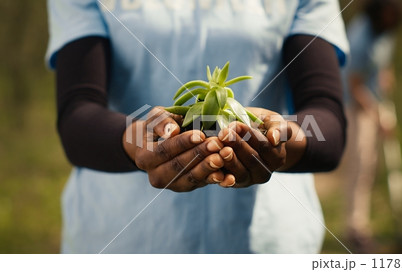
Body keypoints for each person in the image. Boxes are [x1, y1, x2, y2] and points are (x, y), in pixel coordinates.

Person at [46, 0, 349, 253]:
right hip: (123, 239)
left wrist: (278, 139)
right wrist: (134, 140)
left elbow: (328, 122)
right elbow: (78, 113)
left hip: (266, 243)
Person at [342, 0, 402, 253]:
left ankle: (363, 223)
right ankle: (355, 228)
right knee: (360, 164)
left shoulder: (386, 32)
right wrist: (377, 116)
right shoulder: (359, 36)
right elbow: (354, 84)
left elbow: (382, 64)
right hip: (355, 107)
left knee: (369, 165)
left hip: (374, 102)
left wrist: (385, 76)